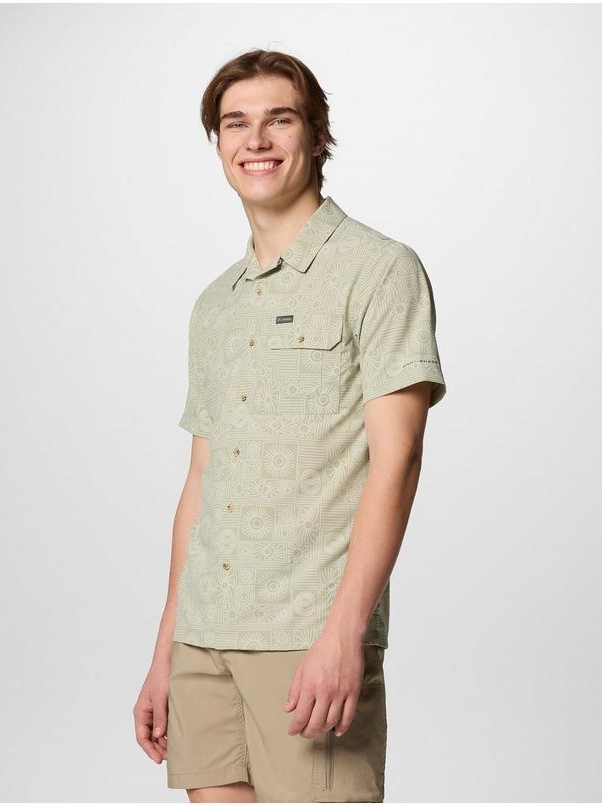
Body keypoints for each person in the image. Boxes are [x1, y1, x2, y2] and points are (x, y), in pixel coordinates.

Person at [134, 48, 447, 803]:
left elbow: (398, 458)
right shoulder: (216, 305)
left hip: (307, 633)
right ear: (218, 144)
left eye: (279, 119)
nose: (256, 139)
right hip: (205, 638)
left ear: (317, 135)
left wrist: (345, 632)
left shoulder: (380, 270)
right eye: (235, 123)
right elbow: (202, 481)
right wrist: (166, 648)